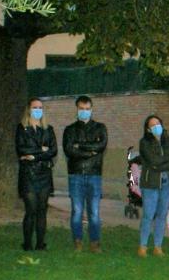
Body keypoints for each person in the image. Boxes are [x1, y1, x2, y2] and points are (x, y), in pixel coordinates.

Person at [62, 95, 108, 252]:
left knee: (94, 212)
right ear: (77, 109)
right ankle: (78, 242)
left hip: (94, 175)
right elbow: (69, 150)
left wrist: (79, 146)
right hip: (75, 175)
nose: (84, 111)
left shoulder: (100, 128)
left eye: (87, 109)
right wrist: (90, 152)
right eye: (81, 109)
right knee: (76, 212)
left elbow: (101, 145)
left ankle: (95, 243)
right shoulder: (69, 130)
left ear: (92, 109)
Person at [15, 97, 57, 251]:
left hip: (44, 174)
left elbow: (53, 151)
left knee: (41, 211)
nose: (38, 110)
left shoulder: (48, 129)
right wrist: (41, 150)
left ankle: (40, 244)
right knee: (30, 210)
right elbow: (21, 150)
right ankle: (27, 244)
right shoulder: (21, 128)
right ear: (29, 109)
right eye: (35, 107)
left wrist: (34, 155)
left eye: (40, 107)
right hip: (28, 175)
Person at [137, 114, 169, 258]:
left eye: (158, 123)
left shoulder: (167, 140)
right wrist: (165, 160)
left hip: (166, 184)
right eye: (152, 125)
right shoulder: (144, 142)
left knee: (162, 215)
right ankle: (143, 246)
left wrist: (160, 163)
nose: (156, 127)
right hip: (150, 184)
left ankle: (158, 246)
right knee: (148, 214)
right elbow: (152, 160)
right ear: (148, 129)